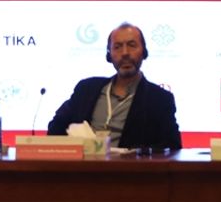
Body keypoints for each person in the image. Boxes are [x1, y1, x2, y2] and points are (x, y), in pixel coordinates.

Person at [46, 22, 181, 150]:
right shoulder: (86, 89)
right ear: (109, 55)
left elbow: (172, 146)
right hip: (84, 164)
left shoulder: (160, 99)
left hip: (129, 166)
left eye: (132, 45)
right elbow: (55, 129)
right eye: (117, 47)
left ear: (144, 52)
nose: (125, 53)